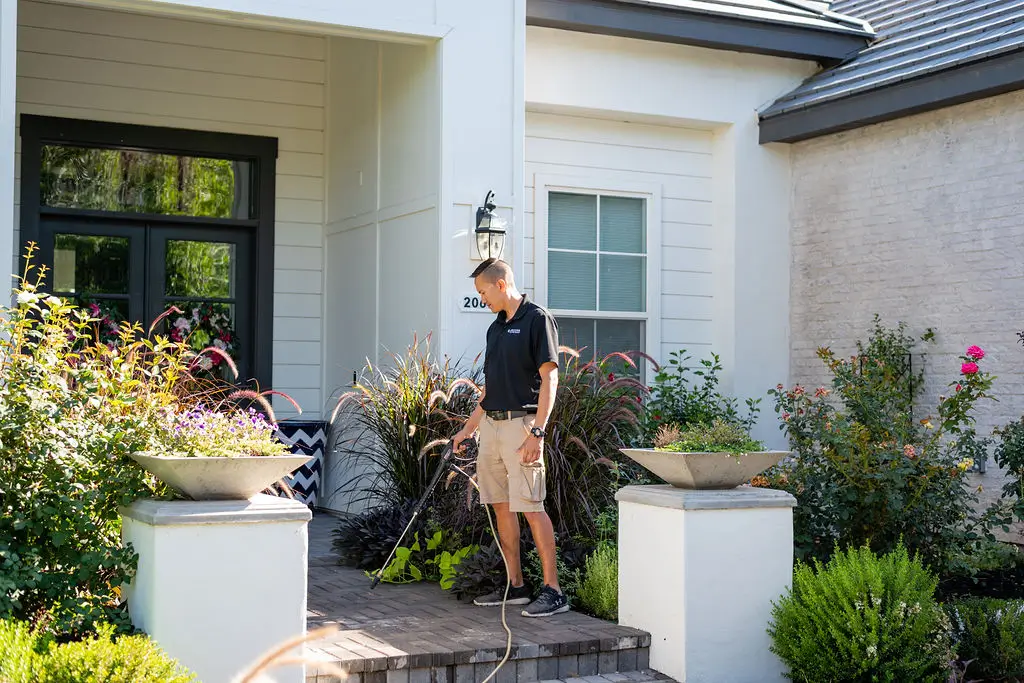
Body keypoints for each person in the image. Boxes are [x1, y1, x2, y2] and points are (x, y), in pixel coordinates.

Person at [452, 258, 568, 618]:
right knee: (500, 506)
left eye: (483, 292)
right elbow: (491, 387)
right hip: (492, 427)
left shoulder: (537, 319)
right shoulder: (496, 328)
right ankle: (515, 586)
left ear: (500, 285)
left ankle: (554, 591)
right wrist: (469, 428)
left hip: (523, 427)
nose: (482, 298)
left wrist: (538, 431)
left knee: (531, 507)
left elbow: (550, 379)